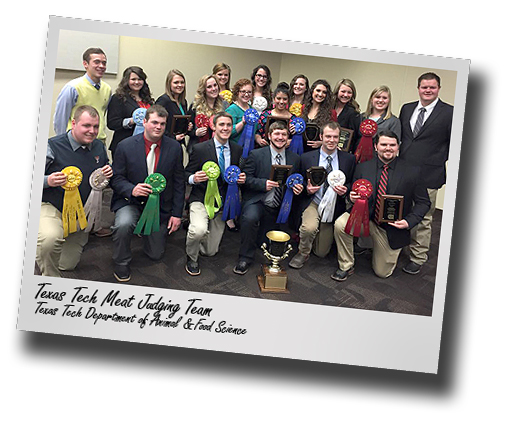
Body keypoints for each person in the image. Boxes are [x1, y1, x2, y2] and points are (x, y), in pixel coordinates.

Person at [332, 130, 430, 281]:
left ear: (398, 147)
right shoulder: (363, 168)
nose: (388, 148)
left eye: (392, 145)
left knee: (382, 272)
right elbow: (354, 188)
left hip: (391, 226)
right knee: (340, 224)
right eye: (383, 144)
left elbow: (424, 202)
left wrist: (408, 222)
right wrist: (351, 196)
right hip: (366, 218)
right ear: (376, 146)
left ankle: (376, 248)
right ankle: (346, 264)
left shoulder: (412, 171)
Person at [110, 105, 185, 282]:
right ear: (144, 122)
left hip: (159, 205)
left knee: (155, 255)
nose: (158, 127)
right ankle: (121, 262)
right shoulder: (125, 146)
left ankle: (146, 232)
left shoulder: (174, 148)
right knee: (123, 224)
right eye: (154, 122)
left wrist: (176, 214)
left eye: (162, 124)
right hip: (130, 201)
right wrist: (131, 189)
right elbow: (116, 178)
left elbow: (179, 182)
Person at [37, 105, 113, 277]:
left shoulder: (99, 147)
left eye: (95, 126)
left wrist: (108, 172)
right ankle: (49, 281)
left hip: (81, 210)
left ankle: (44, 246)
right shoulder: (52, 146)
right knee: (49, 240)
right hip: (51, 204)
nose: (92, 131)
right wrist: (48, 180)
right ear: (74, 123)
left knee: (67, 265)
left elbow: (102, 175)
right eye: (87, 125)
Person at [398, 72, 453, 275]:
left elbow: (454, 143)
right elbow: (404, 138)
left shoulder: (449, 112)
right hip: (404, 171)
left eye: (432, 87)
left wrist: (438, 160)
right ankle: (399, 247)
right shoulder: (407, 108)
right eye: (424, 87)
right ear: (418, 88)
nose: (428, 90)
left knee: (424, 217)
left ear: (438, 88)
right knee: (402, 211)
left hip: (430, 173)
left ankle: (417, 257)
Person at [233, 121, 302, 275]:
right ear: (270, 136)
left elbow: (299, 179)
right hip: (258, 200)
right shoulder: (256, 155)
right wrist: (263, 184)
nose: (280, 137)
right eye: (276, 134)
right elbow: (246, 180)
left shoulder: (295, 159)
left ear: (288, 137)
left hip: (280, 205)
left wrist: (299, 187)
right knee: (250, 218)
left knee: (264, 242)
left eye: (284, 134)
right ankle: (245, 257)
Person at [184, 112, 246, 276]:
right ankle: (191, 257)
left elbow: (239, 173)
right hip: (201, 197)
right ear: (214, 126)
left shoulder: (237, 150)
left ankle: (198, 233)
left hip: (222, 202)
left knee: (210, 252)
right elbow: (186, 173)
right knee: (198, 230)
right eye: (222, 125)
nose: (225, 128)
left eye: (228, 125)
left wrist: (242, 178)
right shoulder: (200, 149)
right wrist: (193, 178)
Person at [289, 121, 356, 269]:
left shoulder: (348, 159)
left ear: (339, 138)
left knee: (321, 252)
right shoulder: (306, 158)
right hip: (314, 201)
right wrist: (307, 188)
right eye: (328, 136)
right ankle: (303, 252)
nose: (331, 140)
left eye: (335, 137)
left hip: (334, 204)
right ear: (321, 137)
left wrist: (346, 189)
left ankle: (317, 239)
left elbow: (353, 182)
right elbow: (298, 180)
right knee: (309, 228)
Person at [53, 47, 111, 144]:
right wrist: (62, 144)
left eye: (104, 63)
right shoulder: (73, 88)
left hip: (98, 142)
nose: (101, 66)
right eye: (96, 62)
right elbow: (60, 119)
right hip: (75, 142)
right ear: (85, 64)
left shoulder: (107, 89)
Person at [107, 66, 154, 156]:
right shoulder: (118, 98)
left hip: (145, 145)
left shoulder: (147, 99)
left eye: (140, 79)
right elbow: (112, 123)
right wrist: (132, 121)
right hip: (124, 145)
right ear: (126, 81)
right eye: (133, 79)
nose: (137, 82)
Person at [188, 74, 224, 154]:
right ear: (204, 89)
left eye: (215, 85)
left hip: (218, 149)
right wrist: (195, 133)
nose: (214, 89)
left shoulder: (224, 105)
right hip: (198, 149)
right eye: (209, 87)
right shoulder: (195, 106)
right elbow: (187, 129)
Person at [155, 69, 193, 143]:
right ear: (169, 84)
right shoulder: (163, 101)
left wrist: (187, 126)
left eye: (182, 82)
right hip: (165, 143)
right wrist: (173, 138)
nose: (180, 85)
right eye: (176, 82)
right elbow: (156, 123)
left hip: (178, 143)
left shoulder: (183, 102)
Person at [255, 82, 295, 148]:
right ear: (274, 99)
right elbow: (257, 132)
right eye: (278, 98)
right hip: (265, 149)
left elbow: (296, 138)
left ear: (288, 100)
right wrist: (258, 139)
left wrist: (291, 141)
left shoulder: (293, 119)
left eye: (284, 99)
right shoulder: (264, 115)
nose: (281, 102)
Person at [301, 79, 334, 152]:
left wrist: (322, 143)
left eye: (324, 92)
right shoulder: (303, 108)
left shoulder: (331, 112)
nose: (320, 94)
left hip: (318, 151)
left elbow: (334, 134)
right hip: (301, 148)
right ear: (312, 91)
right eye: (318, 91)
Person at [331, 78, 361, 152]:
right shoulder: (329, 107)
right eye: (343, 91)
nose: (345, 95)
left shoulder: (354, 113)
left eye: (349, 92)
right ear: (337, 91)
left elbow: (355, 137)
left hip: (343, 152)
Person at [225, 78, 254, 144]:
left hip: (250, 148)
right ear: (237, 92)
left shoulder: (252, 110)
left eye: (249, 92)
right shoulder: (232, 109)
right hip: (235, 148)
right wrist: (242, 123)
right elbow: (227, 131)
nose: (246, 95)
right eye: (243, 91)